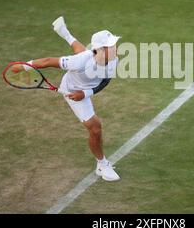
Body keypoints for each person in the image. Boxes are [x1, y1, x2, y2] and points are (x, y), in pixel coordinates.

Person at [13, 16, 121, 181]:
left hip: (83, 90)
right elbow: (48, 61)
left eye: (114, 44)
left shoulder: (113, 59)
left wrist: (86, 93)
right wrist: (22, 66)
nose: (115, 48)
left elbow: (105, 80)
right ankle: (102, 164)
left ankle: (64, 32)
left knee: (82, 53)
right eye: (111, 46)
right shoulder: (79, 62)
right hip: (71, 89)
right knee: (95, 128)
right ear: (100, 49)